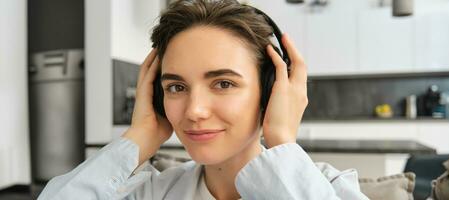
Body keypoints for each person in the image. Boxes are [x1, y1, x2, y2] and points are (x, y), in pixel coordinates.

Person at [38, 0, 369, 199]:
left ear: (271, 90)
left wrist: (282, 142)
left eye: (223, 83)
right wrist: (140, 135)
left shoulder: (329, 187)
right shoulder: (154, 192)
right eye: (176, 87)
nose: (194, 111)